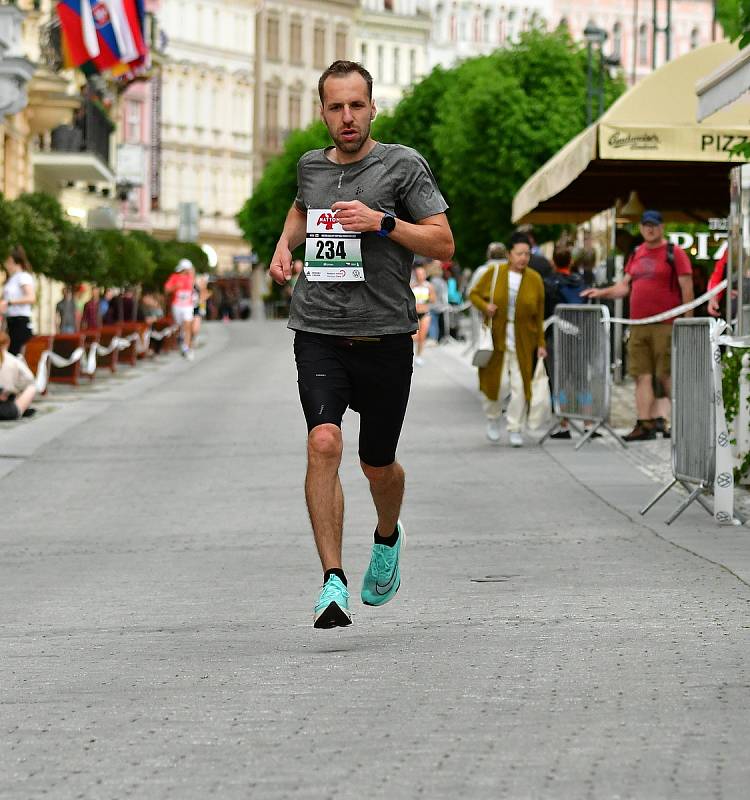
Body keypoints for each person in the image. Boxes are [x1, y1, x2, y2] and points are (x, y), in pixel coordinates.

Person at [269, 59, 454, 629]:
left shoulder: (402, 165)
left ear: (373, 108)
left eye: (356, 105)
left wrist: (381, 223)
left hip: (386, 336)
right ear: (322, 112)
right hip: (319, 328)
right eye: (335, 107)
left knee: (378, 465)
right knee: (323, 442)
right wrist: (283, 246)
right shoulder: (310, 166)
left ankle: (387, 534)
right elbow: (303, 206)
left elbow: (443, 243)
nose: (346, 117)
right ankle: (333, 581)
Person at [582, 209, 694, 441]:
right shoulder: (637, 253)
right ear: (641, 228)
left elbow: (687, 289)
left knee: (666, 374)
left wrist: (687, 322)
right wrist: (601, 292)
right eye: (645, 225)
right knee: (641, 374)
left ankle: (682, 421)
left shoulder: (675, 253)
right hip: (638, 324)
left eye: (653, 225)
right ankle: (645, 423)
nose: (649, 229)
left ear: (661, 227)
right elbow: (624, 286)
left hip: (666, 323)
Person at [469, 232, 547, 446]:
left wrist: (541, 343)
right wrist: (486, 307)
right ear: (510, 254)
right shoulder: (495, 273)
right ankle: (493, 418)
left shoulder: (534, 279)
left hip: (524, 340)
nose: (523, 258)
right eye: (519, 253)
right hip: (497, 338)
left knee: (520, 385)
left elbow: (539, 314)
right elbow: (474, 294)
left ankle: (515, 427)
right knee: (497, 383)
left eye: (527, 254)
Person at [0, 246, 36, 356]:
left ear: (13, 261)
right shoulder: (12, 279)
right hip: (10, 323)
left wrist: (9, 302)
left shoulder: (23, 277)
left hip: (20, 323)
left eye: (7, 261)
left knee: (14, 357)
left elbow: (31, 297)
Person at [0, 331, 36, 420]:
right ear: (7, 343)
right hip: (7, 409)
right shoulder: (13, 360)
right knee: (32, 388)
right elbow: (30, 378)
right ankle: (22, 409)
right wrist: (16, 389)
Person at [164, 258, 196, 360]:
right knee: (179, 325)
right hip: (177, 306)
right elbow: (166, 289)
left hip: (188, 306)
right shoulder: (174, 277)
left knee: (188, 325)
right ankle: (181, 339)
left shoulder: (190, 278)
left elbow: (194, 273)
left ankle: (186, 348)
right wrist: (175, 287)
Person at [411, 265, 436, 366]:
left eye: (421, 274)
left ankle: (419, 356)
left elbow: (433, 299)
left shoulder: (429, 286)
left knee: (422, 337)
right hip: (414, 313)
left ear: (425, 275)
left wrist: (425, 300)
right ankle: (412, 355)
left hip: (425, 313)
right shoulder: (412, 286)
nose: (420, 276)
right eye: (418, 274)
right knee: (414, 337)